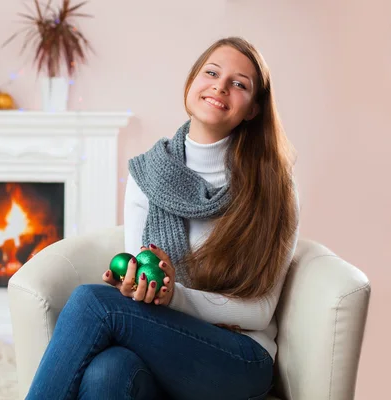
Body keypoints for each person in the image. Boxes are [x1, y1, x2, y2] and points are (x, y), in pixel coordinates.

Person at [25, 36, 300, 400]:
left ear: (252, 109)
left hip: (241, 358)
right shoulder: (148, 176)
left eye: (239, 84)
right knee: (108, 371)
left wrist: (175, 298)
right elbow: (142, 284)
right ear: (191, 82)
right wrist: (140, 288)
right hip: (166, 343)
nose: (220, 85)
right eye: (212, 72)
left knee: (92, 303)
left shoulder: (274, 187)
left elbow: (261, 312)